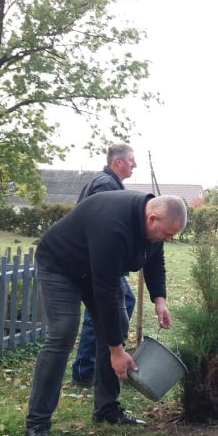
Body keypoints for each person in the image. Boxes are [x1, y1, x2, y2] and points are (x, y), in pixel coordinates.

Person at [24, 191, 187, 436]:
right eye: (167, 233)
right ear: (152, 217)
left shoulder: (153, 226)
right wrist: (116, 351)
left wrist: (160, 299)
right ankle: (36, 425)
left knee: (116, 324)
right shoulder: (113, 224)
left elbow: (155, 259)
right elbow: (106, 290)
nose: (169, 239)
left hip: (95, 269)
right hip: (60, 265)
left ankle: (106, 409)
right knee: (63, 332)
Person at [71, 143, 137, 388]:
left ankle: (98, 362)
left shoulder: (111, 183)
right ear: (117, 161)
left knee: (116, 305)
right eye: (131, 160)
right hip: (95, 260)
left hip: (100, 259)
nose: (135, 164)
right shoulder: (105, 185)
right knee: (101, 312)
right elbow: (99, 225)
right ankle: (86, 369)